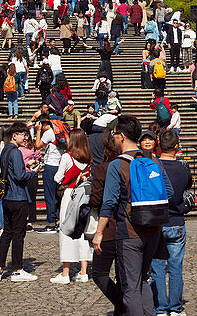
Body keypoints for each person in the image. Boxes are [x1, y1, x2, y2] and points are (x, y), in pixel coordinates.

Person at [93, 114, 174, 316]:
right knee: (142, 279)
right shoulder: (152, 160)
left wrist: (99, 232)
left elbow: (109, 202)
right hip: (154, 230)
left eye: (114, 134)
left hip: (129, 232)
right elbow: (169, 192)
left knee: (130, 287)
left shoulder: (117, 165)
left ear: (121, 136)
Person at [151, 128, 192, 316]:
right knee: (176, 267)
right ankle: (175, 307)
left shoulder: (153, 166)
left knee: (158, 268)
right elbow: (187, 187)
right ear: (177, 147)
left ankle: (160, 307)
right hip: (177, 220)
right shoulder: (183, 168)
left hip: (157, 222)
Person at [0, 121, 40, 281]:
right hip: (18, 196)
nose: (26, 138)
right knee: (18, 234)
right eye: (23, 135)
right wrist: (33, 172)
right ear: (14, 135)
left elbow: (11, 170)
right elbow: (20, 176)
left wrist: (23, 166)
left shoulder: (5, 150)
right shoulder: (16, 152)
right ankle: (18, 269)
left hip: (6, 197)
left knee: (7, 233)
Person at [90, 125, 125, 316]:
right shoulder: (128, 165)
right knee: (122, 274)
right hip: (128, 227)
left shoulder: (102, 168)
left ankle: (121, 304)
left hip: (109, 226)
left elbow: (96, 199)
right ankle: (123, 307)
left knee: (100, 273)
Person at [51, 129, 94, 284]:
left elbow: (58, 177)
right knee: (83, 232)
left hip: (70, 195)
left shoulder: (66, 157)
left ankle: (65, 272)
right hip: (84, 195)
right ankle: (83, 271)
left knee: (67, 230)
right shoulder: (88, 158)